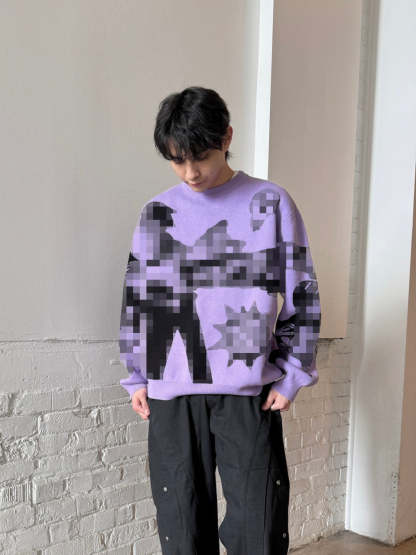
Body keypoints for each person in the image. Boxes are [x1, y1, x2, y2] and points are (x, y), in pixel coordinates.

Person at [119, 86, 321, 555]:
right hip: (172, 393)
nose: (190, 172)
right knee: (182, 530)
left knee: (258, 529)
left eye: (201, 157)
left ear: (227, 138)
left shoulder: (270, 203)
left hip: (247, 393)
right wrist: (136, 375)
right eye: (177, 160)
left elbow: (302, 291)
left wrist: (293, 373)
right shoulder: (156, 213)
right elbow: (136, 300)